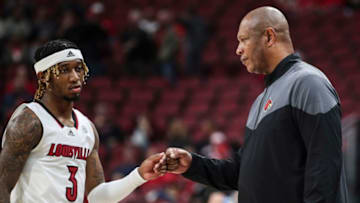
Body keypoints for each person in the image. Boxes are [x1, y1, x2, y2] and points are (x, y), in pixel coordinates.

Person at [162, 6, 348, 203]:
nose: (238, 49)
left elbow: (325, 168)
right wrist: (192, 165)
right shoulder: (260, 101)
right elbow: (241, 173)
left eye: (244, 39)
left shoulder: (307, 82)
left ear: (269, 37)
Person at [0, 39, 166, 203]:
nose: (75, 77)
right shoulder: (29, 121)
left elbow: (98, 197)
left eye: (78, 69)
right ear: (44, 77)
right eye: (64, 70)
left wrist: (138, 175)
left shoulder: (87, 127)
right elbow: (2, 185)